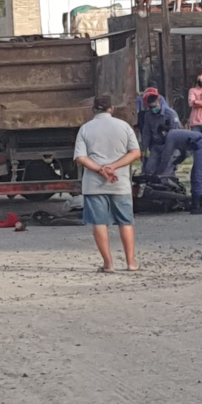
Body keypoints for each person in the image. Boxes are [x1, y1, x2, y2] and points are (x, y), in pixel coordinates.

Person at [74, 95, 142, 273]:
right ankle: (131, 262)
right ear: (111, 109)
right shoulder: (124, 126)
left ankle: (108, 264)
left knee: (99, 222)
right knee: (125, 221)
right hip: (120, 183)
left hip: (94, 184)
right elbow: (135, 153)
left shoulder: (85, 129)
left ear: (93, 110)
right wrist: (114, 166)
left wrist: (100, 169)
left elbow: (81, 157)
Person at [157, 129, 202, 215]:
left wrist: (159, 173)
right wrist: (174, 163)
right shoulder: (177, 135)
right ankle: (196, 203)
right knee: (194, 175)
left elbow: (166, 156)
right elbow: (184, 153)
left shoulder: (170, 136)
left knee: (199, 175)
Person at [142, 94, 182, 174]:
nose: (153, 109)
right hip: (156, 145)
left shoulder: (170, 114)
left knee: (166, 170)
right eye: (151, 107)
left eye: (155, 106)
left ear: (159, 102)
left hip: (168, 145)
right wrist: (143, 149)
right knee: (149, 169)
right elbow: (146, 133)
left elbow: (177, 133)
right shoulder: (148, 115)